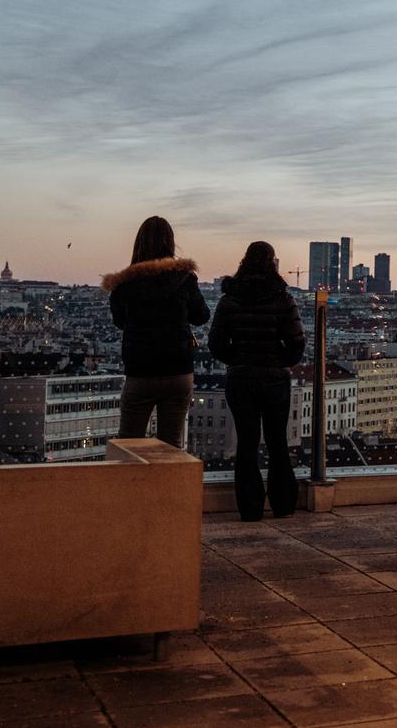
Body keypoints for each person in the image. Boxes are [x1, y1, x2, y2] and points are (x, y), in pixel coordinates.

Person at [209, 241, 305, 521]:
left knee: (247, 444)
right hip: (275, 380)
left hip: (241, 379)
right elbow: (297, 342)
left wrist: (237, 359)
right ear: (272, 263)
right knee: (277, 442)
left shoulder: (229, 299)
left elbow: (215, 343)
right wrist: (279, 361)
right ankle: (283, 504)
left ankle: (250, 508)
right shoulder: (283, 297)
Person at [102, 216, 209, 449]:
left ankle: (131, 486)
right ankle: (168, 486)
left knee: (128, 444)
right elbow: (202, 316)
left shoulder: (124, 284)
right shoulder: (185, 279)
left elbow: (120, 322)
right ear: (170, 243)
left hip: (141, 371)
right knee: (171, 445)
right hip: (178, 370)